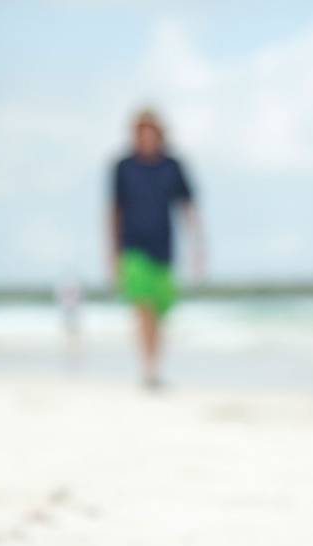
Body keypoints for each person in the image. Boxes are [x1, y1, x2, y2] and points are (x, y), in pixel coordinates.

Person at [108, 108, 205, 388]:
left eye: (152, 132)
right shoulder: (123, 167)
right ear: (136, 134)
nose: (147, 138)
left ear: (160, 134)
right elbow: (114, 212)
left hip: (164, 249)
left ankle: (154, 366)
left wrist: (198, 247)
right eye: (142, 132)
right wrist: (113, 256)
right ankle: (148, 369)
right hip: (133, 249)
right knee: (143, 308)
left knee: (160, 314)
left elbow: (188, 208)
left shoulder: (172, 166)